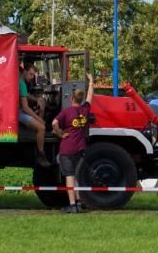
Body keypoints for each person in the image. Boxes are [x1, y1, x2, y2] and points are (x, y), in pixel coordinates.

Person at [52, 72, 94, 213]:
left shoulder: (66, 111)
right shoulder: (85, 110)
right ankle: (78, 202)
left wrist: (60, 134)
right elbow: (90, 96)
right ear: (81, 100)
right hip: (79, 148)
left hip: (67, 149)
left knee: (69, 176)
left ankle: (72, 206)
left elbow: (54, 123)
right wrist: (91, 81)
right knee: (75, 175)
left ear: (71, 98)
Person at [19, 62, 51, 167]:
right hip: (18, 112)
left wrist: (37, 99)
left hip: (19, 110)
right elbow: (25, 108)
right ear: (24, 71)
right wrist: (39, 119)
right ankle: (40, 155)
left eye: (33, 75)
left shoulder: (20, 80)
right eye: (31, 74)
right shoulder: (22, 83)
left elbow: (25, 95)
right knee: (41, 127)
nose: (32, 78)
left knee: (38, 117)